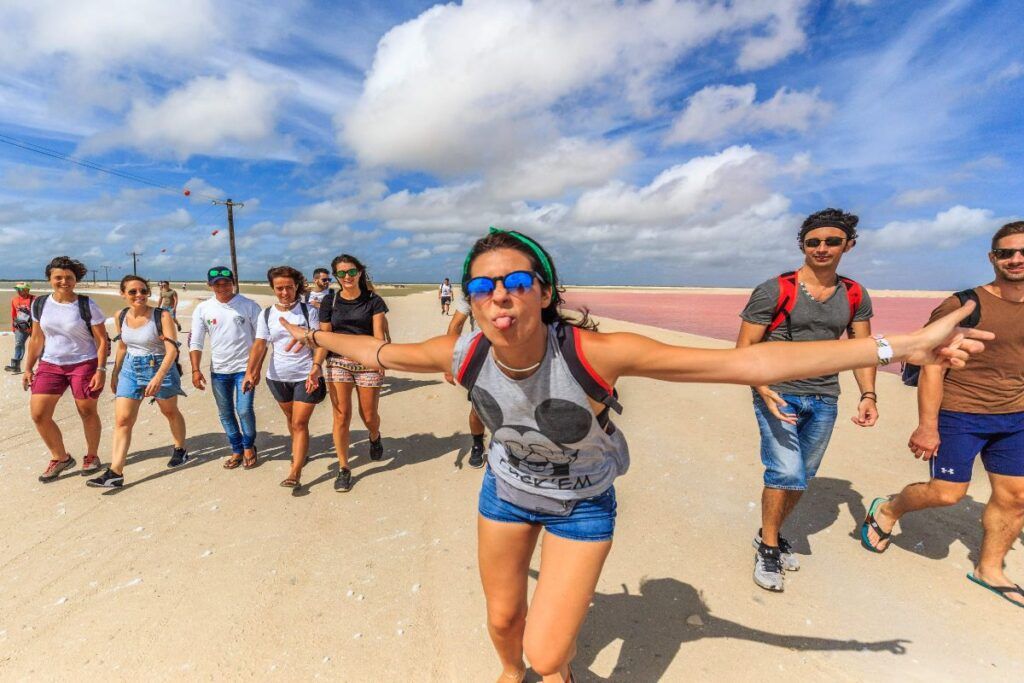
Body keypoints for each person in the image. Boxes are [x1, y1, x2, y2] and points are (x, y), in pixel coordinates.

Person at [277, 227, 988, 683]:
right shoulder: (460, 352)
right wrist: (319, 339)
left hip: (584, 502)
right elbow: (378, 349)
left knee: (551, 657)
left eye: (517, 283)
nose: (500, 296)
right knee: (503, 625)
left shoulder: (593, 352)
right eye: (484, 286)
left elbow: (743, 366)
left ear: (544, 293)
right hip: (506, 493)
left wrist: (897, 347)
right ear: (470, 299)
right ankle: (505, 672)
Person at [862, 221, 1024, 609]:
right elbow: (932, 365)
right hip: (960, 412)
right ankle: (888, 508)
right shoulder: (965, 305)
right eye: (1006, 253)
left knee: (1016, 496)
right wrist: (927, 425)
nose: (1016, 259)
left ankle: (989, 568)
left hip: (1016, 416)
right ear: (992, 258)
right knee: (947, 494)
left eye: (1023, 253)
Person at [736, 208, 877, 593]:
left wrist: (868, 394)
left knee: (803, 476)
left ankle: (771, 531)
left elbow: (863, 349)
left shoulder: (853, 293)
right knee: (784, 471)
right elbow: (744, 348)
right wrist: (763, 388)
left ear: (848, 245)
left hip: (825, 396)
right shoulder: (774, 289)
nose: (822, 248)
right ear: (803, 245)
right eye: (813, 241)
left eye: (832, 241)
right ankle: (768, 547)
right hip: (778, 392)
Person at [87, 275, 188, 488]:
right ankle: (115, 472)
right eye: (133, 292)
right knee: (123, 420)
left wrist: (158, 377)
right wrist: (115, 372)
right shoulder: (120, 315)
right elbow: (122, 346)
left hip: (159, 365)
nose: (139, 295)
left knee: (169, 411)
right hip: (130, 369)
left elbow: (172, 350)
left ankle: (180, 448)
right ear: (123, 294)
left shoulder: (161, 316)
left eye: (143, 291)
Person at [23, 256, 109, 481]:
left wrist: (101, 370)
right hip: (50, 364)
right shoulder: (39, 304)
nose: (63, 281)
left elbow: (101, 340)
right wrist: (28, 368)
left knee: (86, 411)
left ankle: (91, 456)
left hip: (84, 363)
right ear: (50, 279)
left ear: (75, 280)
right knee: (39, 414)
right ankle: (60, 457)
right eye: (58, 277)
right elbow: (36, 338)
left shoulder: (86, 304)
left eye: (68, 277)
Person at [244, 266, 326, 489]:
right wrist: (250, 372)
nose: (284, 292)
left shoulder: (308, 311)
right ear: (273, 288)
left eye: (289, 287)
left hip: (305, 375)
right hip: (277, 377)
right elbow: (260, 344)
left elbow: (320, 342)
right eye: (279, 288)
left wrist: (316, 367)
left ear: (296, 286)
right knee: (291, 420)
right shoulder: (267, 313)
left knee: (299, 422)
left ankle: (295, 471)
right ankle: (301, 451)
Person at [316, 254, 389, 492]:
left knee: (369, 415)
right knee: (341, 416)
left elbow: (379, 335)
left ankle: (375, 435)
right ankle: (344, 468)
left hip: (367, 360)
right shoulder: (330, 302)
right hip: (338, 362)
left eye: (351, 272)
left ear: (359, 272)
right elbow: (324, 337)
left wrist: (379, 359)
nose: (347, 277)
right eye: (341, 273)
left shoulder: (373, 300)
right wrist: (316, 365)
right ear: (336, 276)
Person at [189, 265, 262, 470]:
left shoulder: (249, 306)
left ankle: (249, 446)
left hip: (244, 369)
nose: (222, 287)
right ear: (210, 285)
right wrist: (195, 369)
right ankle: (236, 448)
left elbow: (260, 340)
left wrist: (254, 369)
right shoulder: (203, 309)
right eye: (217, 284)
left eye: (226, 282)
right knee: (226, 412)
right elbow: (196, 340)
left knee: (244, 410)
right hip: (219, 371)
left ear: (233, 283)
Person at [445, 292, 486, 468]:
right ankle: (478, 444)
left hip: (517, 357)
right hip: (482, 357)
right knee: (477, 408)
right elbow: (456, 324)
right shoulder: (472, 290)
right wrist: (449, 363)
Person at [5, 282, 34, 374]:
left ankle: (44, 366)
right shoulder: (14, 300)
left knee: (39, 346)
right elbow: (13, 314)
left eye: (21, 289)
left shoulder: (34, 299)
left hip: (34, 326)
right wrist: (13, 327)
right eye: (17, 289)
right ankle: (15, 366)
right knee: (18, 344)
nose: (18, 291)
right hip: (20, 327)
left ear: (27, 290)